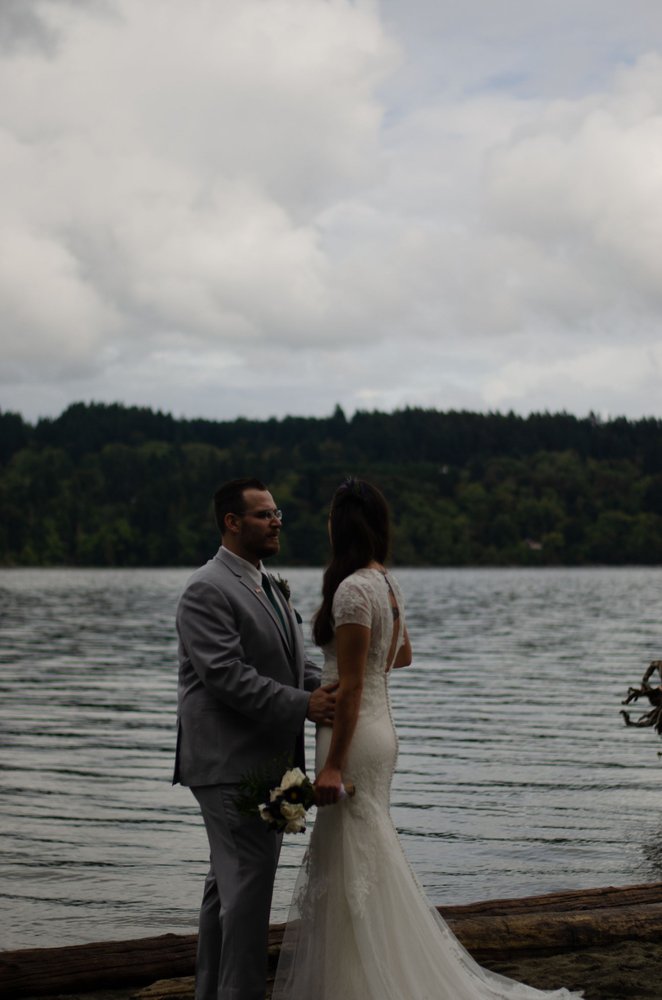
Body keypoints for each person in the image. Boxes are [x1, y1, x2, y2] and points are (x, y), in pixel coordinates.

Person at [272, 477, 583, 1000]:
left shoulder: (351, 589)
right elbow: (403, 656)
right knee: (364, 853)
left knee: (351, 859)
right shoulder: (385, 584)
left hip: (352, 737)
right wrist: (363, 671)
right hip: (380, 730)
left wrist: (333, 763)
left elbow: (351, 688)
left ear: (339, 527)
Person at [174, 477, 336, 1000]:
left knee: (228, 887)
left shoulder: (267, 583)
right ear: (232, 522)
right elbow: (226, 675)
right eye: (264, 514)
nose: (276, 521)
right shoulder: (206, 588)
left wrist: (333, 689)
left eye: (277, 512)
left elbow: (290, 664)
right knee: (247, 888)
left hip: (266, 760)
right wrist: (305, 705)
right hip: (229, 762)